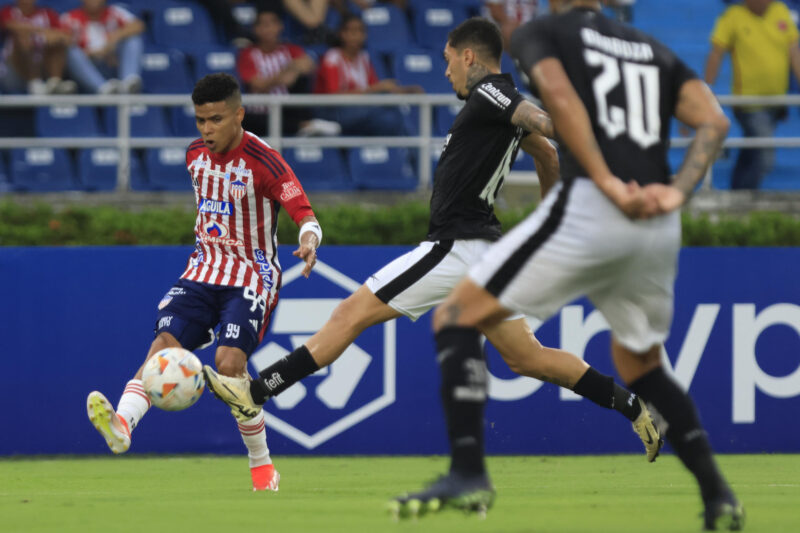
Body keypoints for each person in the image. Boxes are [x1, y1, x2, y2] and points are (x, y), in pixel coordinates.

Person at [202, 15, 663, 499]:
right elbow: (546, 156)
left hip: (455, 247)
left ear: (468, 57)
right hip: (483, 253)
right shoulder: (494, 110)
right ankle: (634, 406)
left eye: (448, 62)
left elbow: (538, 124)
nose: (446, 73)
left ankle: (254, 392)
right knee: (527, 357)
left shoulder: (491, 94)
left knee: (350, 313)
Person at [410, 0, 743, 529]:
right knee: (643, 366)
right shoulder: (652, 49)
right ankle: (718, 495)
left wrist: (608, 182)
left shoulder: (544, 32)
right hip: (656, 220)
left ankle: (469, 471)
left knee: (455, 316)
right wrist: (677, 195)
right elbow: (714, 122)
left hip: (595, 207)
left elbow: (558, 104)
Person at [86, 73, 322, 492]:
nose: (207, 129)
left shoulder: (266, 162)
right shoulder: (194, 154)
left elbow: (304, 213)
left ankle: (262, 465)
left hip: (252, 273)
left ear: (239, 115)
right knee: (162, 346)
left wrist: (308, 242)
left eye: (215, 119)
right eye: (200, 120)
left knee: (229, 364)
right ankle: (122, 425)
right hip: (203, 270)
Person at [705, 0, 800, 189]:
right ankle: (747, 200)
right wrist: (707, 89)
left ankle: (737, 190)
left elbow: (794, 52)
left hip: (776, 102)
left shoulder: (780, 11)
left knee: (752, 150)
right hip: (748, 103)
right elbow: (716, 53)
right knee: (764, 156)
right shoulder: (733, 16)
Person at [237, 6, 341, 136]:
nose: (269, 29)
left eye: (273, 23)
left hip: (288, 109)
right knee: (246, 120)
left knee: (302, 81)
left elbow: (308, 64)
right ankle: (305, 125)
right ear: (256, 29)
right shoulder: (248, 54)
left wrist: (293, 70)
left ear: (280, 26)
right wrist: (285, 73)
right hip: (260, 112)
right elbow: (258, 85)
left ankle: (304, 124)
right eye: (264, 25)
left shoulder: (290, 49)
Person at [313, 13, 422, 136]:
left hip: (361, 111)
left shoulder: (364, 58)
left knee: (391, 120)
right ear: (341, 34)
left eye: (360, 31)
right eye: (351, 31)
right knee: (389, 104)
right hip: (333, 111)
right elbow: (334, 97)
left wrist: (403, 91)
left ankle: (406, 154)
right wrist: (380, 89)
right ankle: (420, 152)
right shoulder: (332, 58)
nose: (356, 36)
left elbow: (373, 91)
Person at [60, 0, 144, 94]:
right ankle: (104, 89)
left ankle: (129, 83)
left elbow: (138, 25)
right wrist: (90, 53)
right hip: (87, 68)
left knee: (133, 39)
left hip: (112, 64)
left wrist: (115, 37)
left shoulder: (115, 12)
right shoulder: (69, 18)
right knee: (72, 51)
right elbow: (61, 43)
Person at [0, 0, 76, 95]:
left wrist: (56, 36)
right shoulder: (8, 11)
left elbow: (67, 37)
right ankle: (34, 83)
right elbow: (12, 26)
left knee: (58, 41)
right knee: (23, 37)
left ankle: (55, 82)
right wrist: (45, 32)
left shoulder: (47, 14)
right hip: (15, 71)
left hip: (43, 67)